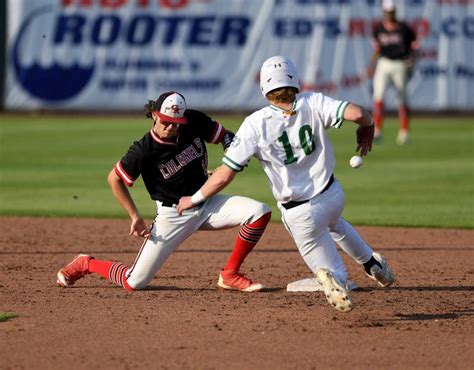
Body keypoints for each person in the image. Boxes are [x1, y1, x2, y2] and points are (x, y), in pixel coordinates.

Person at [177, 56, 395, 313]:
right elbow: (358, 113)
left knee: (336, 274)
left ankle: (333, 278)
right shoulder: (313, 101)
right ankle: (371, 263)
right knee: (335, 223)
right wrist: (367, 127)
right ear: (294, 80)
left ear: (264, 87)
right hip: (333, 196)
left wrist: (194, 199)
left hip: (300, 214)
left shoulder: (254, 124)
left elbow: (224, 175)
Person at [56, 91, 272, 292]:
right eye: (166, 122)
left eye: (176, 124)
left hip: (207, 204)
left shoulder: (193, 121)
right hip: (173, 214)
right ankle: (87, 263)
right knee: (134, 282)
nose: (170, 127)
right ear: (154, 115)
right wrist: (134, 216)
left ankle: (229, 274)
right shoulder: (144, 150)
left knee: (259, 211)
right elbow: (114, 179)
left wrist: (230, 147)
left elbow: (224, 135)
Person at [366, 0, 418, 145]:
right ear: (384, 12)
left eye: (392, 11)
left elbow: (413, 46)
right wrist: (371, 66)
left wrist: (412, 62)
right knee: (379, 96)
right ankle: (377, 131)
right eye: (388, 12)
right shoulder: (379, 29)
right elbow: (377, 49)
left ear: (395, 11)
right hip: (384, 63)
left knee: (402, 98)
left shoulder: (404, 28)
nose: (390, 14)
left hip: (400, 63)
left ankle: (404, 132)